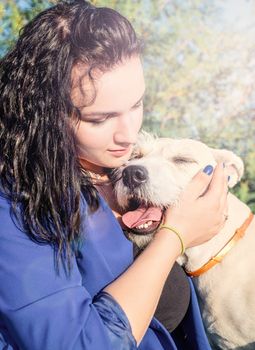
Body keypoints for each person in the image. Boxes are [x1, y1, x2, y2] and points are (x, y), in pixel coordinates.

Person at [0, 1, 229, 349]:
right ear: (44, 113)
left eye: (136, 104)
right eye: (99, 119)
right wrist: (174, 238)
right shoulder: (15, 204)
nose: (128, 133)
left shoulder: (121, 167)